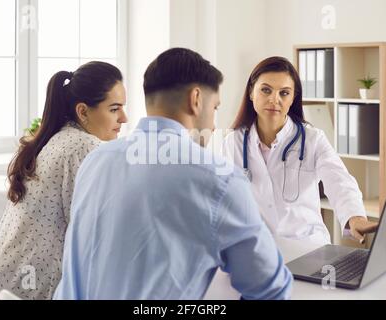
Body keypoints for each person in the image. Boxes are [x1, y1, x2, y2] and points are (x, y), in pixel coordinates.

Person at [53, 48, 292, 300]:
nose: (212, 124)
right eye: (215, 108)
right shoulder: (220, 180)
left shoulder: (96, 160)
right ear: (196, 99)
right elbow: (270, 289)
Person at [0, 61, 128, 300]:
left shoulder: (55, 139)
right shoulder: (82, 146)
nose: (124, 118)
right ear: (83, 111)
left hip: (5, 289)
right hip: (32, 291)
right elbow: (92, 237)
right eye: (114, 109)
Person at [222, 56, 377, 246]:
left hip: (307, 247)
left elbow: (339, 181)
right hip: (257, 250)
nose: (274, 99)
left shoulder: (312, 139)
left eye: (284, 93)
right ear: (251, 92)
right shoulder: (233, 142)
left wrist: (355, 217)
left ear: (293, 98)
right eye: (266, 90)